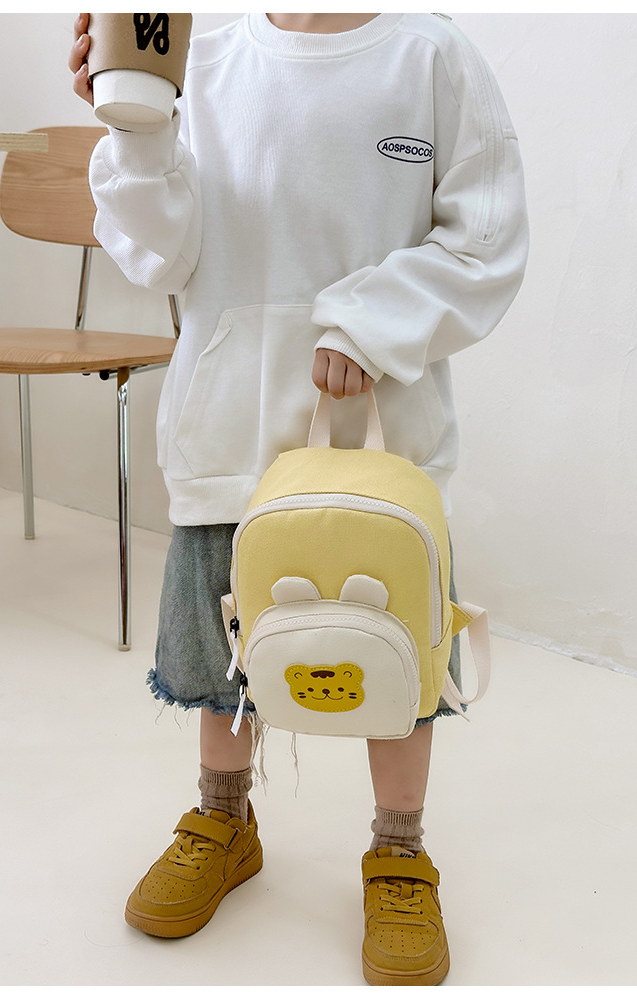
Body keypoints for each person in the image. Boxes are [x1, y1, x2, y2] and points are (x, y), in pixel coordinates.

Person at [69, 12, 528, 986]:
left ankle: (399, 851)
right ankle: (223, 819)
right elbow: (159, 256)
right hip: (228, 434)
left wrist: (368, 320)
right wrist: (139, 128)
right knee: (219, 652)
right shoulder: (206, 58)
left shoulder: (430, 56)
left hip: (383, 449)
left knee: (399, 658)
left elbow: (487, 236)